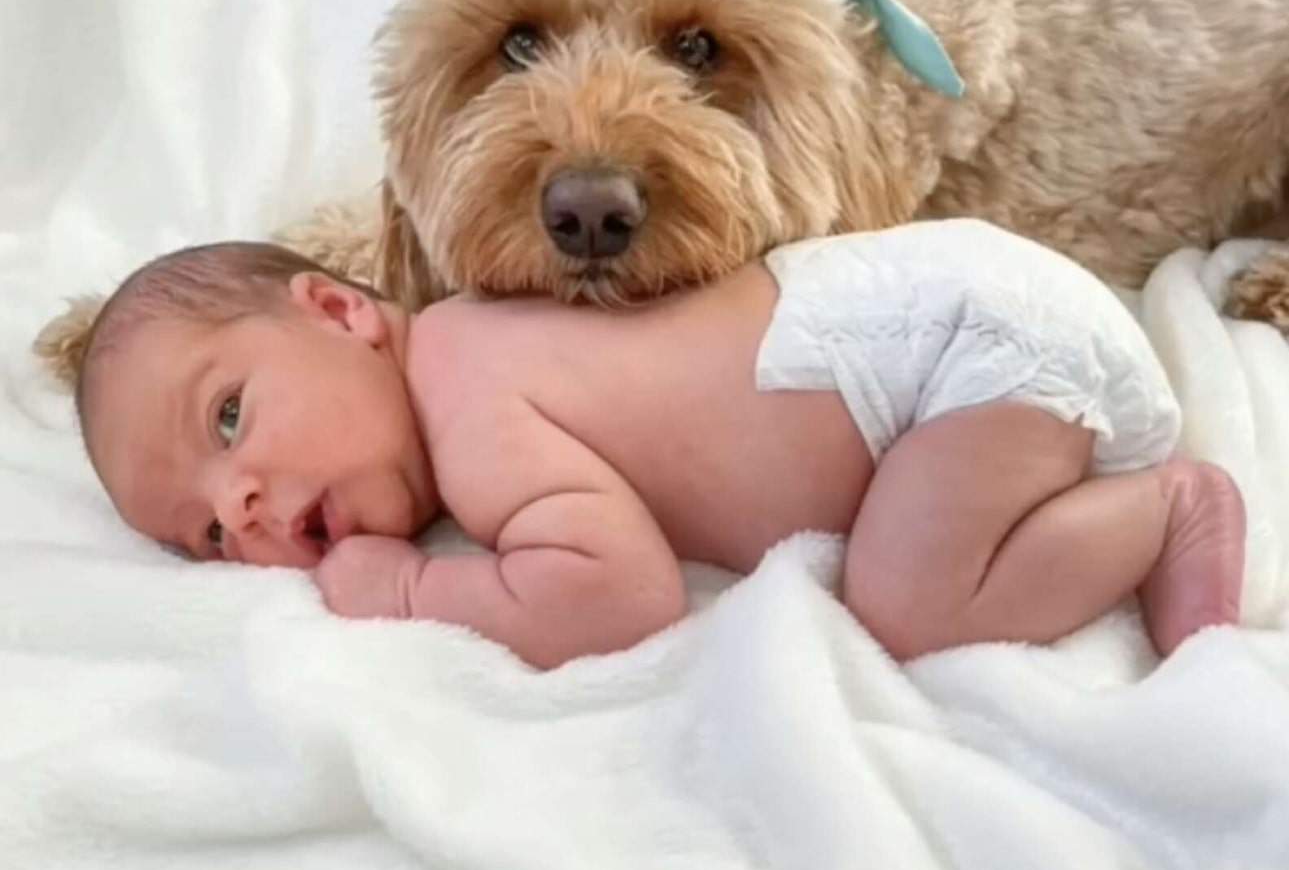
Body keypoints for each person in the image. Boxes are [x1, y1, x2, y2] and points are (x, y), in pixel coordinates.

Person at [74, 223, 1245, 671]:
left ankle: (1171, 509)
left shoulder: (469, 402)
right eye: (209, 535)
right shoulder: (481, 344)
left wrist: (411, 585)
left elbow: (619, 599)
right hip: (945, 307)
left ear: (339, 312)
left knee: (908, 603)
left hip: (955, 349)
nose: (245, 505)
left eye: (228, 418)